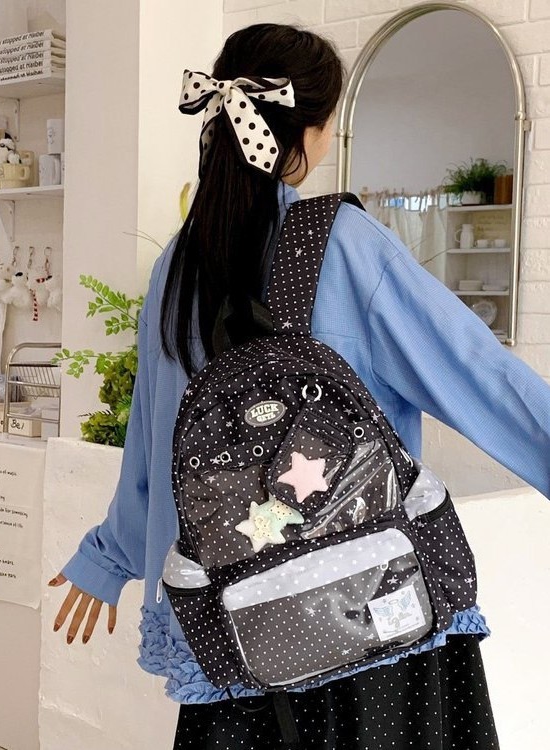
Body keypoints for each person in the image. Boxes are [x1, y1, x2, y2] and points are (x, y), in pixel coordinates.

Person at [49, 23, 550, 750]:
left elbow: (157, 454)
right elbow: (480, 374)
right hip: (365, 611)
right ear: (310, 134)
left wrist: (109, 558)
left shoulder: (178, 267)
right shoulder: (345, 246)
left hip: (237, 630)